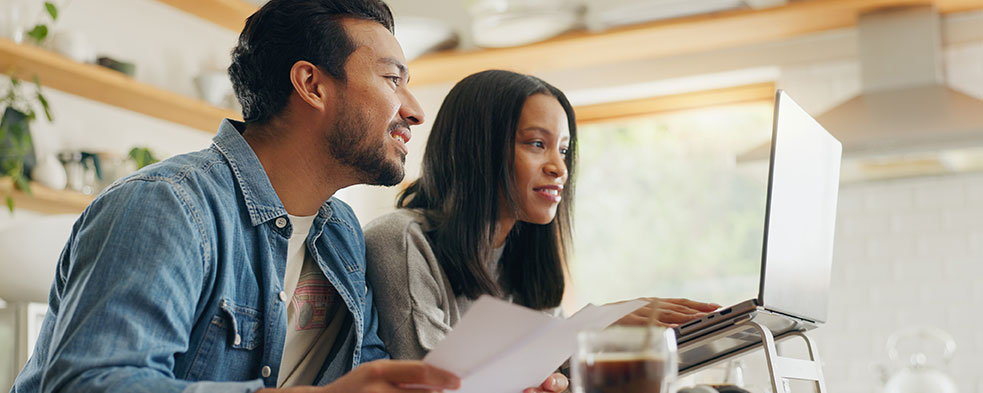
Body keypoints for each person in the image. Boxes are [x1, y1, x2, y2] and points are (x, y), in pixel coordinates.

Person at [7, 1, 556, 392]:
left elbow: (372, 373)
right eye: (392, 80)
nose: (413, 109)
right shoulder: (166, 207)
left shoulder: (339, 233)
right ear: (311, 85)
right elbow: (94, 383)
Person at [364, 70, 721, 364]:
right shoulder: (400, 238)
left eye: (564, 150)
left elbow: (555, 374)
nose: (559, 168)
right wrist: (583, 331)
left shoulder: (522, 264)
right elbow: (432, 378)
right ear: (478, 149)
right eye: (537, 144)